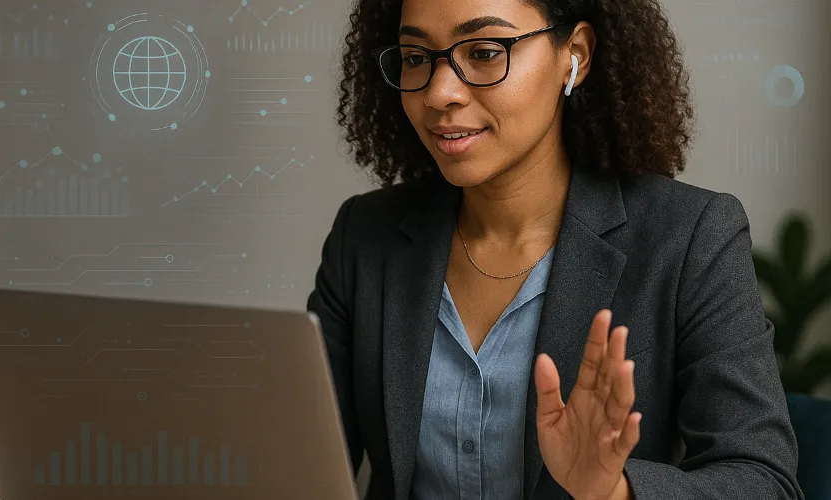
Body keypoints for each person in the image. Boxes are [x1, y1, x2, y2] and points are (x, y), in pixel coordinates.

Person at [305, 0, 804, 499]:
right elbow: (298, 459)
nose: (439, 93)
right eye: (416, 58)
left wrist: (614, 492)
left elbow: (763, 481)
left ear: (575, 55)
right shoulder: (364, 238)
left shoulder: (691, 237)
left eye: (484, 52)